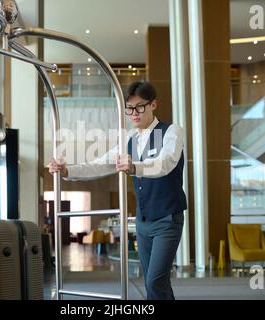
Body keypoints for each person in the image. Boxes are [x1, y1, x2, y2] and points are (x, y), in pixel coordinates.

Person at [48, 81, 187, 300]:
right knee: (155, 281)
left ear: (153, 105)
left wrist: (135, 167)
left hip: (167, 218)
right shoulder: (129, 139)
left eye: (139, 107)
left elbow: (166, 162)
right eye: (129, 108)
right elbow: (101, 164)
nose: (134, 113)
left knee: (155, 281)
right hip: (143, 221)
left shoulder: (171, 131)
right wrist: (67, 171)